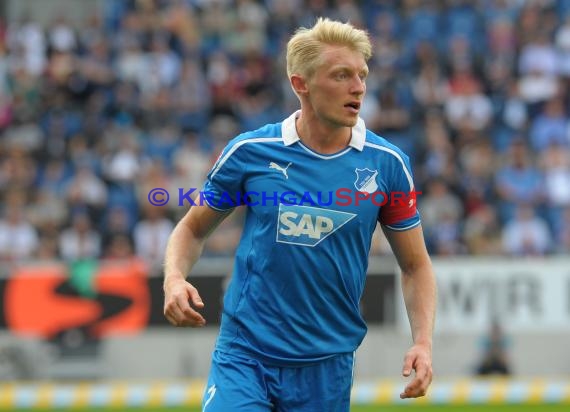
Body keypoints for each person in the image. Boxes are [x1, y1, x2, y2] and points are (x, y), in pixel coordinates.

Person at [163, 17, 437, 411]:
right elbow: (191, 229)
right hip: (246, 355)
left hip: (327, 367)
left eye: (362, 75)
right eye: (341, 75)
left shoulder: (388, 164)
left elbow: (415, 265)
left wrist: (423, 342)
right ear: (300, 84)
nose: (358, 87)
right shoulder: (250, 153)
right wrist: (174, 279)